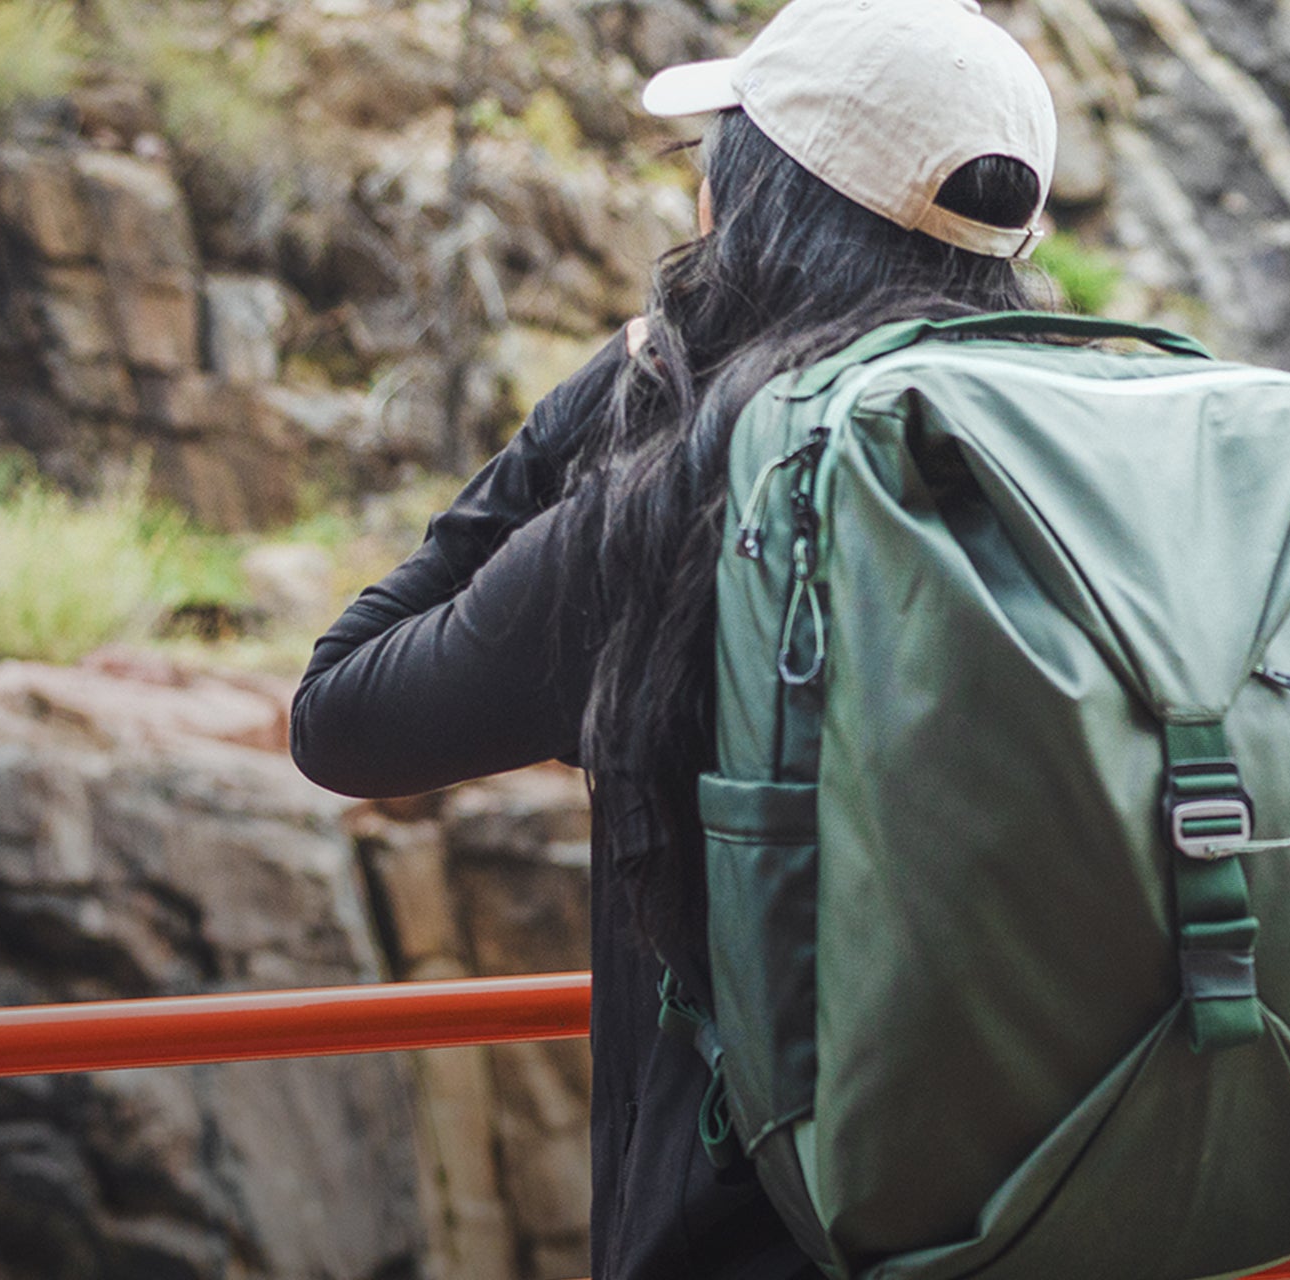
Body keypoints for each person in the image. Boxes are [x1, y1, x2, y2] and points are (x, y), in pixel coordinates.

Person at [286, 1, 1056, 1275]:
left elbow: (343, 714)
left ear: (755, 195)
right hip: (1083, 1190)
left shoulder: (699, 495)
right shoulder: (1082, 438)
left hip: (776, 1227)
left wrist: (612, 395)